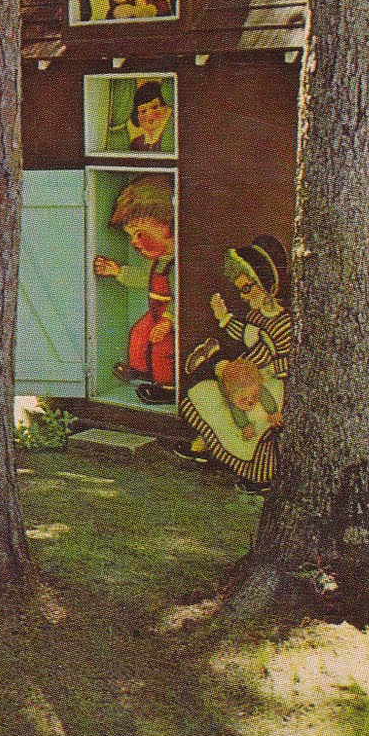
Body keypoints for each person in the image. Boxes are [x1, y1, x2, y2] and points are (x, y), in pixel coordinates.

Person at [177, 235, 295, 489]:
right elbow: (246, 335)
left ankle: (260, 476)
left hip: (273, 385)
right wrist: (224, 318)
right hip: (252, 375)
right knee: (213, 396)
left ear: (265, 285)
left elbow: (287, 361)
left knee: (255, 422)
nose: (242, 296)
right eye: (240, 290)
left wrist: (266, 367)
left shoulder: (284, 322)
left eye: (246, 289)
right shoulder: (256, 315)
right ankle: (210, 446)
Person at [94, 174, 176, 404]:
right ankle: (141, 370)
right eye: (131, 236)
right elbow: (144, 279)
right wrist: (118, 271)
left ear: (166, 224)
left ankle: (167, 387)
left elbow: (181, 297)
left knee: (162, 348)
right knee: (139, 333)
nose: (134, 242)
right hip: (155, 313)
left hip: (168, 316)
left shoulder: (177, 264)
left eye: (139, 233)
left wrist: (169, 320)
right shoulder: (160, 261)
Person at [117, 80, 173, 152]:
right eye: (143, 111)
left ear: (165, 108)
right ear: (137, 116)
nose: (149, 114)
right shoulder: (136, 144)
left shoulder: (168, 139)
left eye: (154, 107)